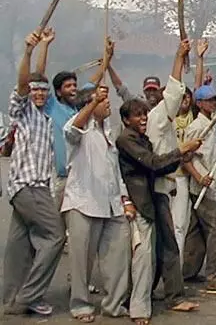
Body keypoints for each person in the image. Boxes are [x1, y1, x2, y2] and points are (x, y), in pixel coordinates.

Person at [116, 98, 202, 325]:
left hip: (151, 199)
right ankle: (138, 309)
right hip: (139, 202)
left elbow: (160, 164)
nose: (143, 118)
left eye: (145, 114)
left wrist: (180, 156)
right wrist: (181, 150)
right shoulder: (126, 139)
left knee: (160, 250)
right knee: (143, 257)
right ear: (126, 120)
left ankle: (141, 300)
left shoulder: (141, 138)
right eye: (137, 115)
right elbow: (153, 163)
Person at [3, 30, 65, 316]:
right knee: (55, 236)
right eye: (35, 90)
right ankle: (30, 296)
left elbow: (38, 76)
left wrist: (45, 47)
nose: (39, 93)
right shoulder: (22, 111)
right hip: (29, 187)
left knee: (19, 247)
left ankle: (11, 299)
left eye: (44, 90)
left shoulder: (44, 116)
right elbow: (25, 82)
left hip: (25, 190)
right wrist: (28, 52)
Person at [62, 83, 132, 322]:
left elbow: (115, 173)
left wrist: (125, 200)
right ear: (90, 106)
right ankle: (80, 305)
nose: (108, 102)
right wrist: (92, 103)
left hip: (112, 204)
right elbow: (72, 128)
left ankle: (113, 304)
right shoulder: (80, 131)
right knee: (82, 260)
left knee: (119, 254)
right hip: (83, 203)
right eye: (103, 100)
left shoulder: (109, 133)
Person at [33, 28, 109, 210]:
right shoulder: (51, 106)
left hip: (79, 180)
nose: (73, 89)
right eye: (68, 86)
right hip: (59, 178)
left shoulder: (78, 109)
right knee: (55, 228)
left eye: (75, 85)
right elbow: (39, 76)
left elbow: (93, 83)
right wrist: (44, 44)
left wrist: (107, 58)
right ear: (58, 91)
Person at [182, 85, 216, 289]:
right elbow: (185, 158)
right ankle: (213, 275)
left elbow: (208, 155)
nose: (214, 103)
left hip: (210, 185)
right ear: (199, 103)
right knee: (215, 229)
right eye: (209, 100)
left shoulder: (211, 124)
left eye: (215, 99)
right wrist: (199, 177)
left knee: (196, 232)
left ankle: (188, 271)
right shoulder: (197, 127)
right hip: (202, 188)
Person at [171, 39, 209, 263]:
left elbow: (197, 87)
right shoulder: (169, 116)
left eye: (188, 98)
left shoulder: (192, 117)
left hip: (184, 176)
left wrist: (200, 58)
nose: (185, 100)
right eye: (182, 97)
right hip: (168, 173)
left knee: (181, 223)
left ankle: (179, 263)